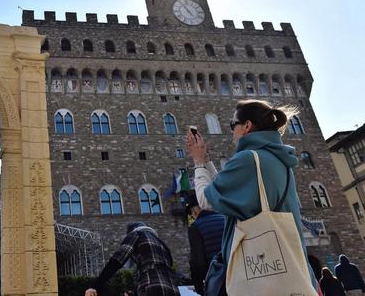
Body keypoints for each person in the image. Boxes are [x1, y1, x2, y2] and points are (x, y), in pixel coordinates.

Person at [184, 99, 318, 292]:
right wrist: (207, 161)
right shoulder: (276, 158)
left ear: (247, 126)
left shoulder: (249, 159)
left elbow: (207, 200)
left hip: (261, 278)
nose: (231, 132)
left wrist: (197, 162)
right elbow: (229, 188)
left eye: (233, 125)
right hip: (291, 267)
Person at [84, 222, 180, 296]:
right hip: (173, 289)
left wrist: (95, 285)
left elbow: (118, 259)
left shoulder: (137, 234)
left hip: (152, 287)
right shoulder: (163, 245)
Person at [185, 191, 225, 295]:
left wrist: (199, 288)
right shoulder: (225, 219)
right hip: (237, 277)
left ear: (194, 210)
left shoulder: (195, 227)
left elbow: (198, 262)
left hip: (218, 283)